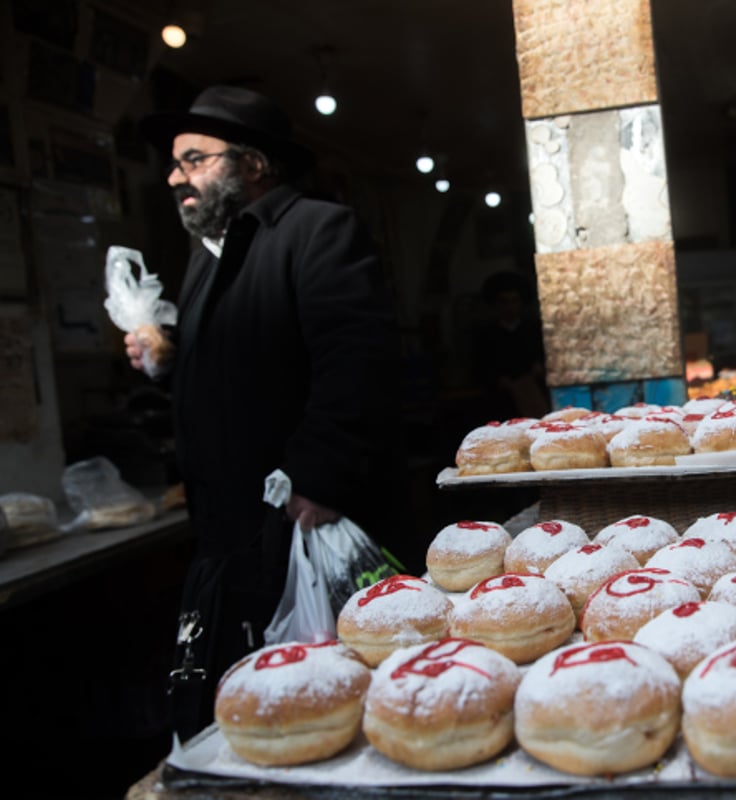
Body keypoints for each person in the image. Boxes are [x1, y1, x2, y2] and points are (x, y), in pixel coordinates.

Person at [130, 85, 408, 740]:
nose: (176, 177)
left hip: (298, 518)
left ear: (252, 163)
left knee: (329, 690)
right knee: (264, 698)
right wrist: (168, 357)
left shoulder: (317, 228)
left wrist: (318, 478)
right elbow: (240, 360)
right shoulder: (206, 256)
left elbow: (355, 361)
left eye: (194, 159)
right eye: (174, 164)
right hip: (228, 527)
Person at [471, 270, 550, 421]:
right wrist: (498, 380)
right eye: (504, 302)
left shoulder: (534, 330)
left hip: (534, 393)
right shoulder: (485, 335)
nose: (510, 307)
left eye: (514, 301)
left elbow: (547, 359)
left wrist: (539, 368)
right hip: (501, 401)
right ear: (495, 305)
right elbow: (479, 369)